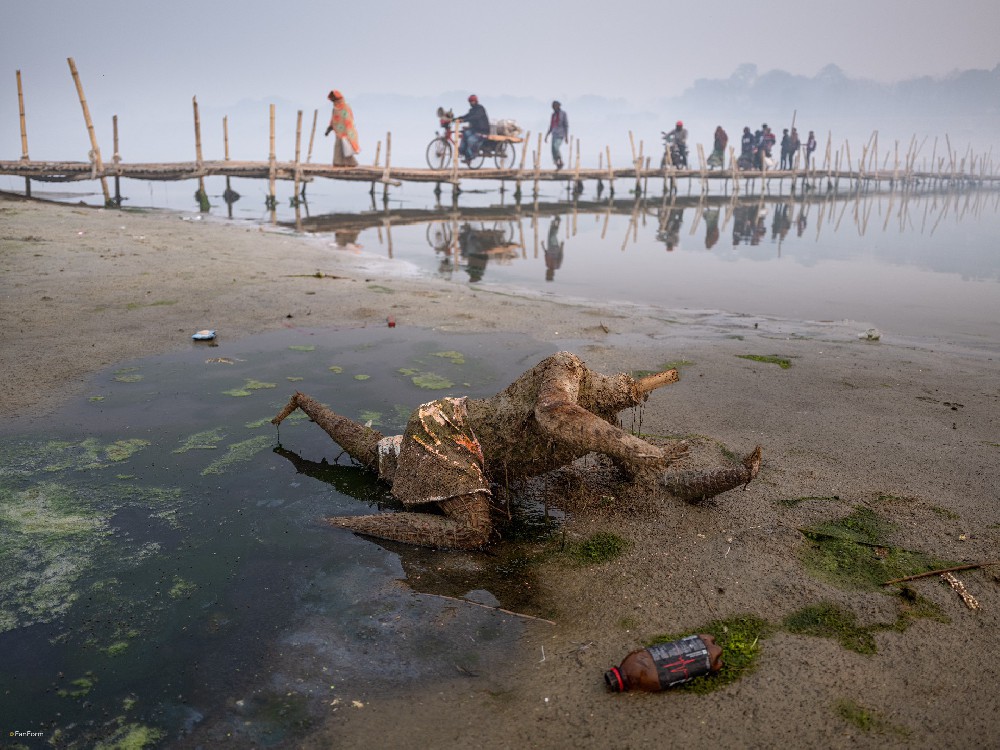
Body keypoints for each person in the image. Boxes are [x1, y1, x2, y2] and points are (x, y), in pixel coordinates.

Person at [324, 90, 360, 167]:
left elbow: (348, 119)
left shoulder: (345, 107)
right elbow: (333, 119)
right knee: (338, 147)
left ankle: (351, 163)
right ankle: (338, 163)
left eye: (335, 100)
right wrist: (329, 128)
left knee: (346, 147)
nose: (334, 102)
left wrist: (348, 131)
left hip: (346, 131)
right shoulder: (335, 109)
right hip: (338, 131)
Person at [455, 94, 490, 164]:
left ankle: (470, 157)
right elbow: (467, 116)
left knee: (470, 140)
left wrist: (464, 120)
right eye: (470, 101)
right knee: (465, 134)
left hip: (483, 131)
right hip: (474, 130)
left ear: (476, 101)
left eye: (472, 101)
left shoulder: (480, 109)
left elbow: (475, 117)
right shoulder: (472, 110)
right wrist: (457, 118)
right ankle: (461, 151)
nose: (471, 103)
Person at [545, 101, 569, 170]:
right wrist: (547, 135)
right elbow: (551, 126)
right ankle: (557, 163)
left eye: (554, 107)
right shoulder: (553, 115)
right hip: (554, 134)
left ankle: (560, 160)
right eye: (552, 107)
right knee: (553, 149)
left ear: (558, 106)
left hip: (560, 134)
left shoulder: (563, 114)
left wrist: (566, 137)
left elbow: (566, 125)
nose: (553, 108)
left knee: (556, 147)